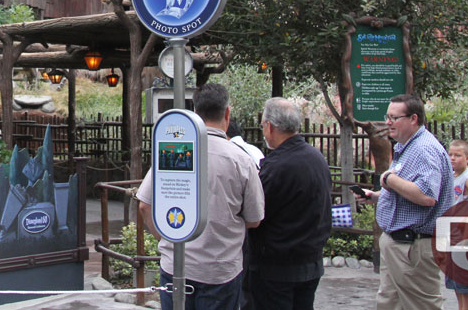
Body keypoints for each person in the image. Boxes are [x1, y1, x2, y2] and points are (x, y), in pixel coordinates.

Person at [137, 82, 264, 310]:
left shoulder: (175, 149)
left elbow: (145, 205)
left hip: (176, 266)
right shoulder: (241, 160)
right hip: (220, 271)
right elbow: (254, 219)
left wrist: (167, 238)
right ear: (227, 113)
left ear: (194, 112)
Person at [362, 93, 453, 310]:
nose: (388, 122)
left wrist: (389, 179)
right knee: (390, 303)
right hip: (401, 245)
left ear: (413, 119)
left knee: (421, 305)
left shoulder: (423, 149)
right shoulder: (408, 146)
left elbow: (427, 196)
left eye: (394, 118)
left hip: (414, 247)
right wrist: (377, 197)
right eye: (387, 116)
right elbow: (409, 192)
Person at [248, 98, 331, 310]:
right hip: (310, 260)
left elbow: (256, 213)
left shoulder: (277, 166)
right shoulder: (317, 158)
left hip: (276, 265)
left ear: (269, 126)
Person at [445, 139, 468, 310]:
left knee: (465, 277)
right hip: (451, 231)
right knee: (454, 278)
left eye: (457, 155)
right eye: (450, 154)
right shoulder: (451, 176)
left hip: (466, 234)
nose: (452, 158)